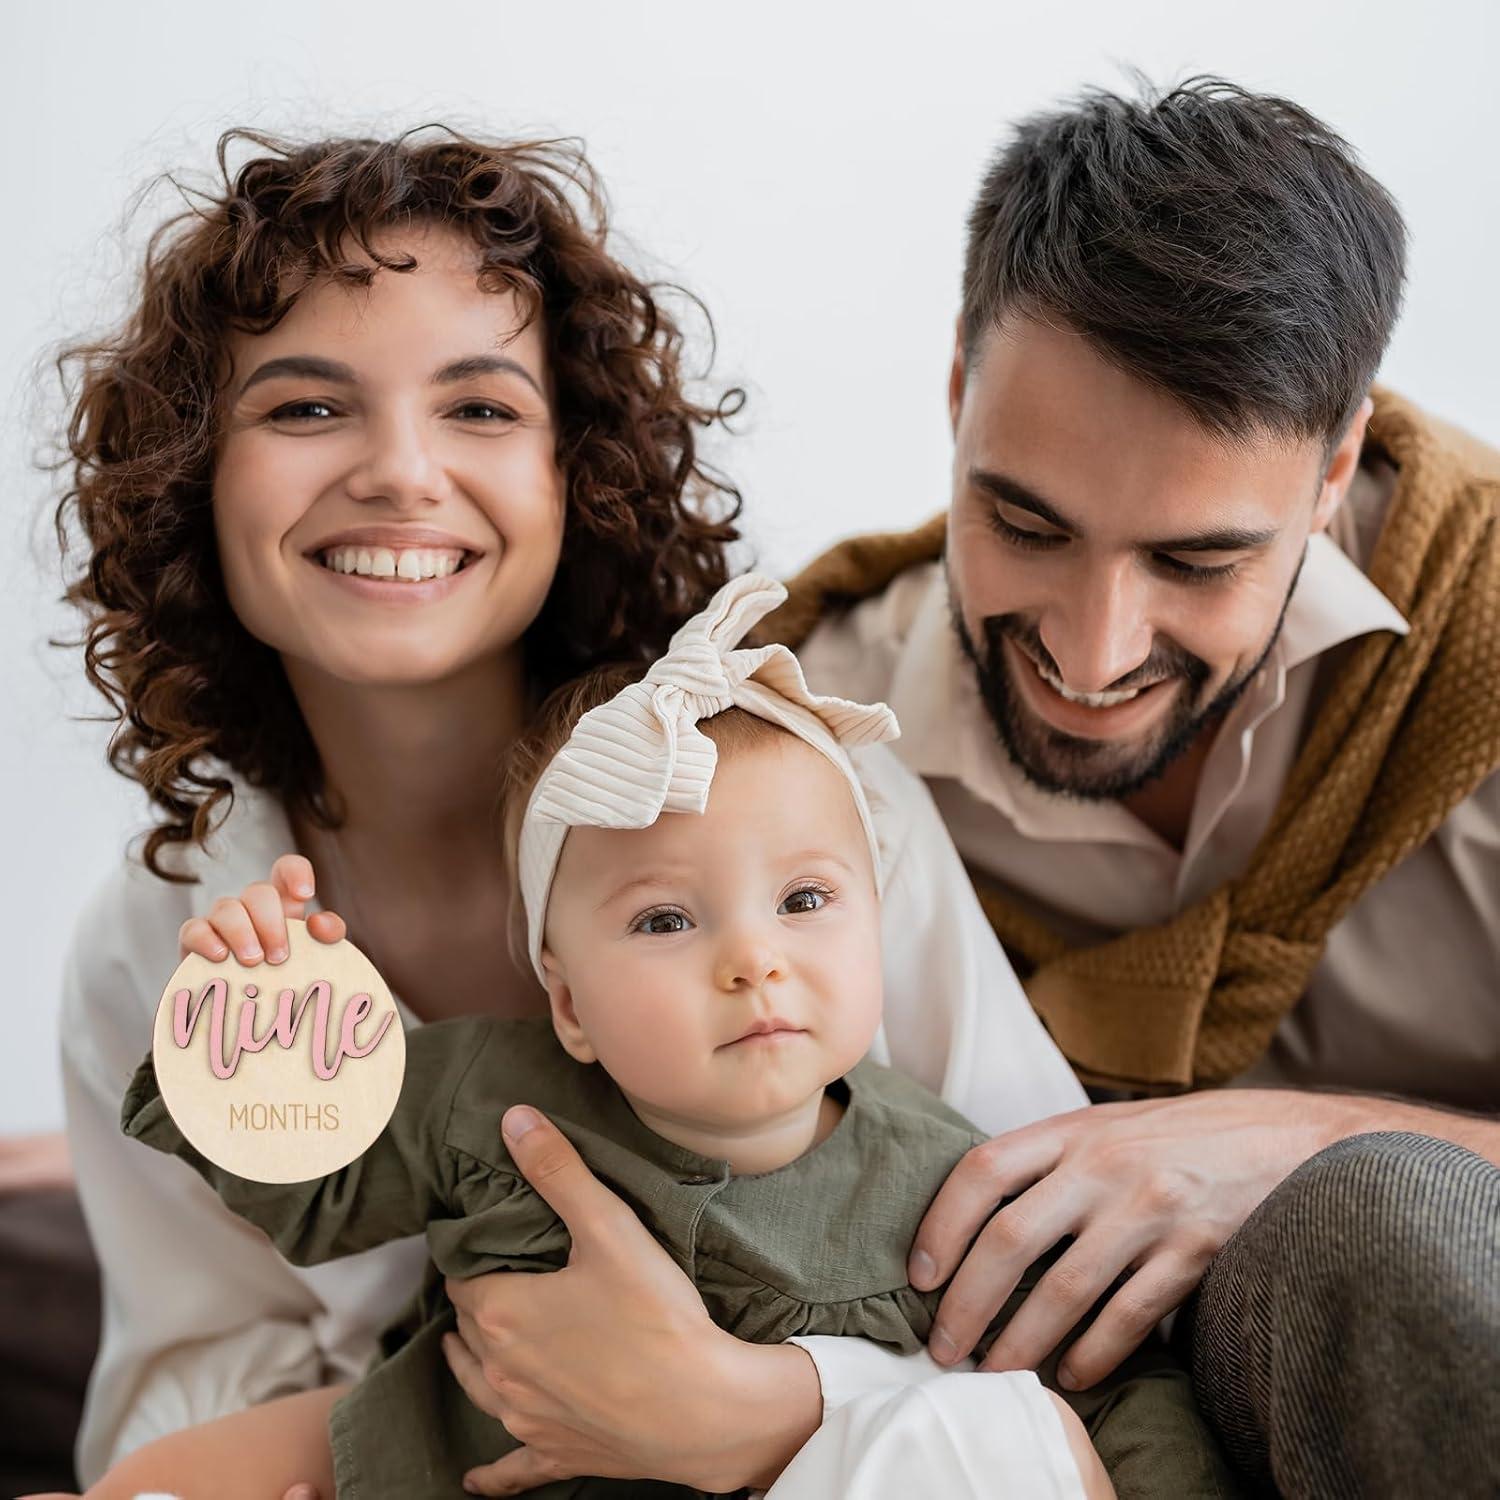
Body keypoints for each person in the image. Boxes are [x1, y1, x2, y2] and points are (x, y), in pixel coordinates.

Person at [50, 126, 1091, 1498]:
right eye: (307, 409)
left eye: (479, 408)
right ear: (195, 479)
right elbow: (179, 1388)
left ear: (577, 468)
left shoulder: (820, 821)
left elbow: (1060, 1319)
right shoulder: (160, 941)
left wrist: (755, 1407)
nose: (402, 475)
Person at [94, 574, 1241, 1499]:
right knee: (159, 1481)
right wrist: (251, 1013)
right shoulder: (490, 1091)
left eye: (803, 902)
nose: (754, 960)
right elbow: (309, 1181)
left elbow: (1106, 1381)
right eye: (664, 919)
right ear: (572, 1003)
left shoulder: (943, 1182)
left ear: (878, 933)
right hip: (431, 1458)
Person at [761, 77, 1500, 1497]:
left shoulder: (1479, 640)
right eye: (1023, 523)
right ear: (959, 396)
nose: (1090, 656)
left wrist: (1298, 1145)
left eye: (1197, 562)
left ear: (1334, 466)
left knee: (1377, 1215)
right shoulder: (806, 743)